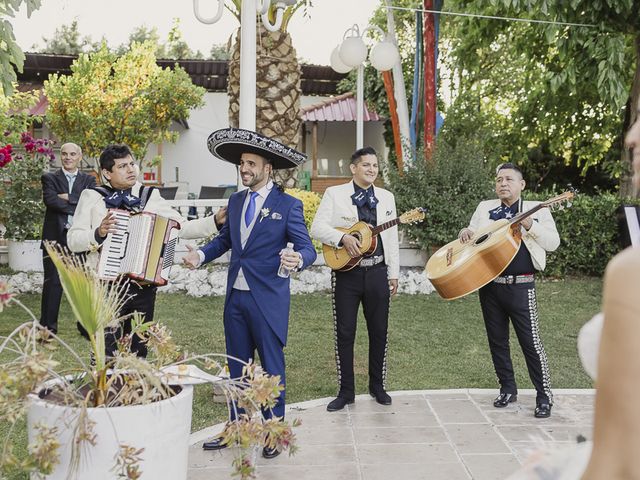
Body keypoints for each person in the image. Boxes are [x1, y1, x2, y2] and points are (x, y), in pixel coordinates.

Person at [182, 128, 317, 459]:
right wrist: (199, 256)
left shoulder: (288, 205)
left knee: (271, 368)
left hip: (268, 298)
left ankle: (274, 432)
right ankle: (237, 429)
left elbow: (307, 248)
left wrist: (298, 259)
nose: (244, 169)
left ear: (267, 167)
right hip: (236, 300)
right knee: (237, 368)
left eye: (251, 164)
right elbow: (226, 240)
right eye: (242, 163)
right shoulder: (236, 199)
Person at [67, 144, 225, 357]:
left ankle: (136, 387)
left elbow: (182, 226)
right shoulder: (93, 197)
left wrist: (214, 221)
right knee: (105, 348)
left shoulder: (148, 195)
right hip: (105, 286)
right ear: (106, 173)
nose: (131, 169)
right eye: (123, 166)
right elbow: (73, 240)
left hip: (142, 286)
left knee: (138, 347)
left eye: (132, 164)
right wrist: (98, 233)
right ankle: (105, 388)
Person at [459, 163, 559, 418]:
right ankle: (507, 388)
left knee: (531, 342)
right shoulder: (485, 208)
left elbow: (553, 243)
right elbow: (472, 236)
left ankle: (544, 396)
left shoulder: (538, 209)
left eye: (509, 180)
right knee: (497, 341)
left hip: (521, 286)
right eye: (499, 180)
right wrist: (465, 232)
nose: (503, 184)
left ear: (522, 184)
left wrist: (530, 225)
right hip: (490, 285)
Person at [310, 146, 400, 412]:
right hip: (346, 274)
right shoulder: (334, 194)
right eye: (366, 165)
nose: (372, 169)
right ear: (353, 168)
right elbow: (317, 227)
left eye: (375, 165)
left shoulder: (386, 197)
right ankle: (345, 391)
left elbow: (392, 238)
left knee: (379, 331)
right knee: (345, 332)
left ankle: (377, 386)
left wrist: (393, 272)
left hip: (377, 273)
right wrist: (342, 238)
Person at [39, 143, 96, 335]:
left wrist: (67, 197)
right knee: (53, 283)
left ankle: (85, 327)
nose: (68, 157)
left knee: (82, 284)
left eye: (72, 154)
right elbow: (51, 201)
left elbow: (91, 202)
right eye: (64, 154)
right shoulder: (50, 178)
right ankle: (47, 328)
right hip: (54, 238)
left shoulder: (89, 180)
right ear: (60, 156)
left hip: (79, 239)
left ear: (80, 157)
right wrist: (77, 201)